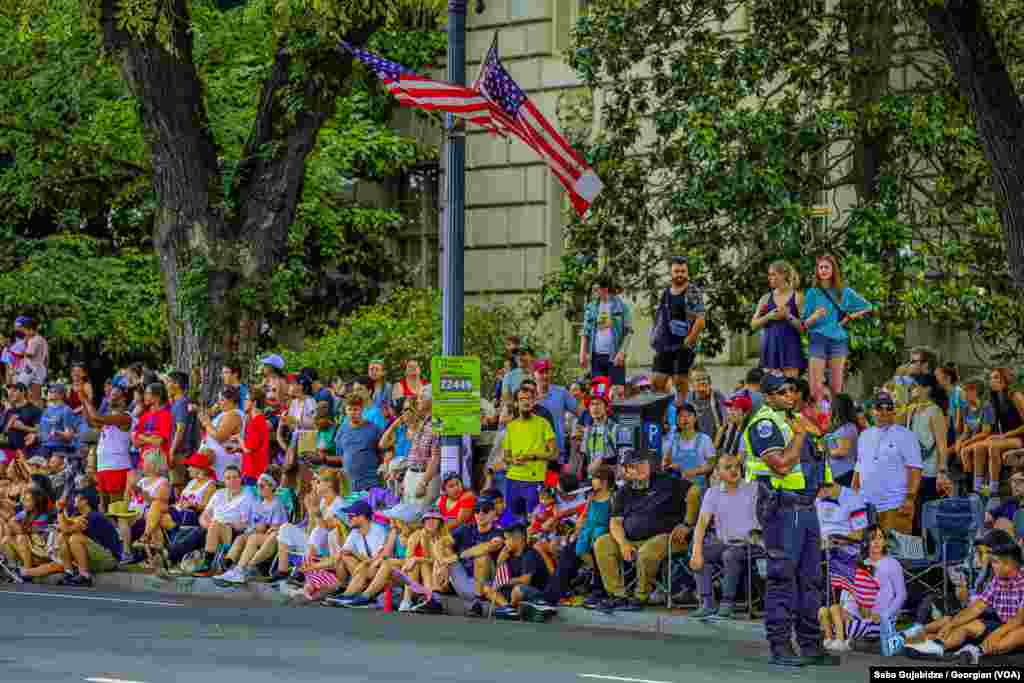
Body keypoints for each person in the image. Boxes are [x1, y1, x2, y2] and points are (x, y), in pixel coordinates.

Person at [740, 374, 836, 666]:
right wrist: (800, 435)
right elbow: (781, 465)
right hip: (782, 508)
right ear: (768, 396)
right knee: (782, 578)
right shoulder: (764, 423)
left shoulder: (796, 419)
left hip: (806, 508)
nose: (790, 396)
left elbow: (817, 462)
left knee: (811, 580)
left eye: (794, 391)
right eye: (782, 392)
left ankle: (810, 645)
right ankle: (780, 646)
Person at [592, 447, 689, 611]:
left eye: (642, 464)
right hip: (632, 540)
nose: (639, 468)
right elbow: (615, 522)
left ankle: (640, 597)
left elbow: (694, 491)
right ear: (626, 471)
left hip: (667, 537)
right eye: (633, 466)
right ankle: (618, 595)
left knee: (646, 551)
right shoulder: (624, 491)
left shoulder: (666, 481)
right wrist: (623, 544)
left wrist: (687, 523)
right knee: (602, 543)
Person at [905, 533, 1024, 663]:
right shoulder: (997, 579)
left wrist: (998, 633)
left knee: (1019, 632)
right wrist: (952, 624)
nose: (991, 563)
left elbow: (1018, 619)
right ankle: (937, 646)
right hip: (1002, 622)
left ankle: (976, 652)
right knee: (966, 625)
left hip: (1018, 626)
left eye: (995, 562)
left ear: (1008, 564)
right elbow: (977, 607)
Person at [689, 453, 763, 619]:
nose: (734, 470)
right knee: (702, 552)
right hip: (725, 542)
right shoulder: (712, 493)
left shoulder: (753, 488)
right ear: (718, 472)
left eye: (736, 466)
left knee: (730, 555)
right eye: (728, 468)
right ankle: (707, 603)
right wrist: (696, 550)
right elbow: (701, 522)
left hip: (752, 544)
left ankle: (727, 603)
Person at [818, 525, 906, 652]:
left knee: (845, 624)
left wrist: (886, 614)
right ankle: (832, 638)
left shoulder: (892, 563)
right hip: (861, 616)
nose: (876, 542)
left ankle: (842, 637)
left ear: (885, 541)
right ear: (866, 542)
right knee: (829, 610)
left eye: (880, 538)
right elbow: (856, 594)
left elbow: (901, 595)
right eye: (872, 538)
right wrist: (847, 611)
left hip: (880, 619)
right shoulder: (862, 564)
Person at [801, 253, 873, 404]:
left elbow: (868, 306)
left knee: (836, 388)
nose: (823, 270)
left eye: (827, 267)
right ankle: (819, 420)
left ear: (833, 270)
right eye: (820, 267)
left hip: (838, 340)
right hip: (818, 339)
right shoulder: (812, 293)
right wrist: (815, 316)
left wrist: (850, 317)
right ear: (817, 271)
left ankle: (835, 420)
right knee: (815, 389)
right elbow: (805, 324)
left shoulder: (844, 292)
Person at [853, 392, 922, 534]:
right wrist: (852, 497)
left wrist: (909, 499)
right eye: (879, 407)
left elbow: (915, 469)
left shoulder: (906, 435)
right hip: (865, 504)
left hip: (895, 505)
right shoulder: (864, 435)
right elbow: (859, 468)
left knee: (896, 553)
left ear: (894, 411)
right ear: (872, 411)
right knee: (865, 551)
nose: (884, 411)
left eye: (889, 407)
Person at [215, 472, 288, 584]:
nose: (259, 489)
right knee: (241, 538)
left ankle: (240, 570)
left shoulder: (276, 504)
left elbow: (277, 527)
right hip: (261, 532)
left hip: (274, 536)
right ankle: (228, 564)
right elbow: (254, 523)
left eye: (262, 486)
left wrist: (262, 527)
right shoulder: (260, 503)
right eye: (258, 486)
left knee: (252, 538)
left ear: (272, 487)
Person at [651, 256, 706, 399]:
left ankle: (684, 412)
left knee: (680, 381)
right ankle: (663, 413)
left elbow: (700, 319)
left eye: (683, 271)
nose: (680, 274)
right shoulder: (666, 292)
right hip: (665, 344)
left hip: (684, 344)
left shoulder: (692, 291)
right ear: (671, 273)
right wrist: (655, 337)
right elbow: (661, 317)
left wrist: (690, 339)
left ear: (687, 273)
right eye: (676, 271)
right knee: (657, 380)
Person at [502, 386, 557, 520]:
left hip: (535, 480)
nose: (526, 402)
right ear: (516, 403)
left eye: (529, 399)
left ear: (534, 401)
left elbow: (554, 454)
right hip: (512, 480)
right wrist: (513, 461)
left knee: (535, 522)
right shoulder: (511, 426)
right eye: (522, 399)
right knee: (511, 521)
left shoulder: (543, 423)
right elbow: (506, 457)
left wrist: (532, 456)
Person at [483, 522, 553, 621]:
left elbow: (525, 581)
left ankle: (513, 608)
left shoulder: (529, 554)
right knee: (487, 587)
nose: (505, 542)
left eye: (507, 539)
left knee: (517, 589)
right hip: (515, 592)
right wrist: (500, 561)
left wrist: (505, 582)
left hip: (534, 591)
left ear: (518, 539)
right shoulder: (508, 554)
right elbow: (498, 579)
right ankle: (508, 608)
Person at [579, 272, 633, 398]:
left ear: (605, 289)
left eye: (596, 289)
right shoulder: (591, 307)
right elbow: (585, 331)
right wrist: (583, 353)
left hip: (614, 357)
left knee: (617, 393)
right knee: (599, 393)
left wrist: (622, 352)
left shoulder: (621, 306)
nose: (594, 292)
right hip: (597, 356)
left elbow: (628, 331)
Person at [193, 465, 253, 577]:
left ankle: (207, 563)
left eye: (235, 477)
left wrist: (226, 523)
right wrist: (209, 525)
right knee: (209, 526)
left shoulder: (247, 495)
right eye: (228, 478)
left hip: (234, 530)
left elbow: (245, 524)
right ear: (224, 481)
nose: (232, 481)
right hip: (212, 529)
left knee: (218, 524)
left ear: (241, 479)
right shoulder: (219, 494)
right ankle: (217, 562)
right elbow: (204, 515)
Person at [55, 486, 121, 586]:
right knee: (62, 537)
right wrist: (61, 510)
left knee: (75, 538)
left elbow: (66, 529)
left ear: (85, 501)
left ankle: (84, 576)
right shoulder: (81, 515)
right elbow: (66, 525)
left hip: (110, 559)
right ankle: (69, 572)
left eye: (77, 497)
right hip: (97, 557)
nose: (74, 499)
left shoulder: (94, 516)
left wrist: (60, 511)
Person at [751, 260, 806, 378]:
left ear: (784, 275)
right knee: (769, 392)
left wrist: (788, 316)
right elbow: (753, 325)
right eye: (769, 275)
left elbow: (803, 328)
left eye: (773, 274)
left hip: (790, 350)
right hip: (769, 350)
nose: (769, 278)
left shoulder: (798, 297)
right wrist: (769, 316)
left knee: (790, 391)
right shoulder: (765, 298)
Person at [979, 368, 1024, 496]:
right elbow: (989, 426)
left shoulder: (1016, 396)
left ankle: (993, 489)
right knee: (980, 447)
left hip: (1019, 437)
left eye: (996, 377)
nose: (992, 381)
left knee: (993, 446)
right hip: (1007, 438)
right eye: (991, 378)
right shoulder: (995, 399)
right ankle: (978, 488)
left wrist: (1004, 435)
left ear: (1006, 380)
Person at [336, 394, 384, 492]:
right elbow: (340, 454)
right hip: (349, 484)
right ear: (345, 410)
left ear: (362, 409)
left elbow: (385, 450)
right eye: (349, 409)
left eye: (355, 409)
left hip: (370, 482)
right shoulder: (342, 429)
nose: (352, 413)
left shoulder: (373, 429)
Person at [197, 385, 243, 481]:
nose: (219, 403)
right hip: (216, 463)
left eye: (222, 400)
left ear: (232, 400)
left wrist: (206, 423)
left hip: (225, 466)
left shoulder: (233, 414)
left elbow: (220, 437)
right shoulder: (225, 413)